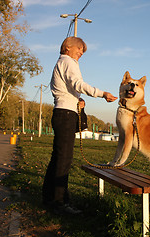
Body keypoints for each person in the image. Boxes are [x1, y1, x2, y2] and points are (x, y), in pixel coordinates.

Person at [42, 36, 117, 214]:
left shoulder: (60, 63)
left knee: (57, 159)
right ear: (68, 47)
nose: (81, 53)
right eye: (79, 49)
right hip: (65, 115)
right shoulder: (68, 62)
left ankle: (48, 197)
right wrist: (102, 93)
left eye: (82, 51)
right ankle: (60, 203)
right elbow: (77, 83)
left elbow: (68, 89)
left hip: (62, 113)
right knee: (64, 160)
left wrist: (76, 99)